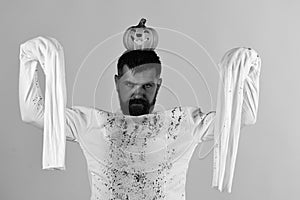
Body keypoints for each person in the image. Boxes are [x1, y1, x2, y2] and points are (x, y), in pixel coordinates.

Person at [19, 36, 261, 199]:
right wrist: (29, 58)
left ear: (158, 85)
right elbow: (34, 113)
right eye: (130, 84)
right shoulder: (90, 123)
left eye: (147, 86)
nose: (138, 93)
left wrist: (250, 66)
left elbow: (245, 116)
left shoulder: (183, 124)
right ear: (117, 83)